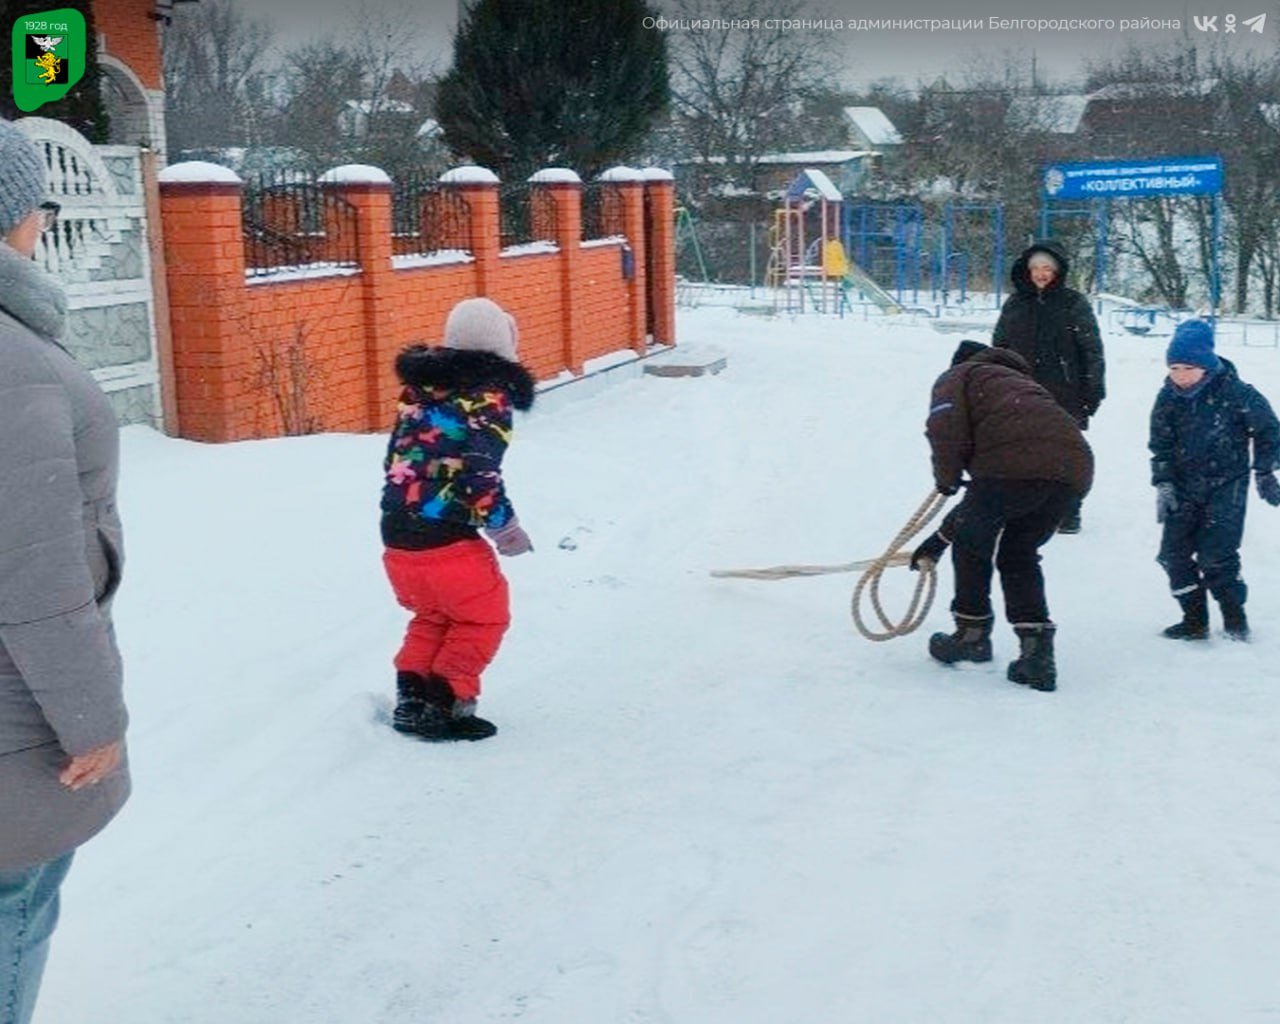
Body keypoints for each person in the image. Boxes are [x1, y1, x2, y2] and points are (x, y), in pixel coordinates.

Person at [0, 117, 130, 1024]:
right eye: (37, 204)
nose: (43, 223)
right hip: (15, 737)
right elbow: (38, 581)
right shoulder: (14, 366)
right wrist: (96, 724)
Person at [380, 297, 535, 741]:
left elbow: (397, 461)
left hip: (396, 531)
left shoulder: (417, 393)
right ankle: (447, 703)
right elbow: (480, 474)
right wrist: (505, 528)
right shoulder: (489, 399)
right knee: (483, 616)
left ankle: (411, 698)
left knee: (433, 615)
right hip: (447, 534)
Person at [910, 339, 1094, 692]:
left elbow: (944, 427)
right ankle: (1036, 652)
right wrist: (937, 540)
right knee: (1017, 554)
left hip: (1016, 466)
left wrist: (946, 480)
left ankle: (971, 634)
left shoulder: (961, 374)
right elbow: (989, 498)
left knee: (972, 545)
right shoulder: (1025, 386)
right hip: (1072, 470)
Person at [1150, 319, 1280, 641]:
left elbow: (1269, 431)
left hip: (1227, 485)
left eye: (1188, 367)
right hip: (1183, 486)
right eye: (1174, 367)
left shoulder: (1237, 393)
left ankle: (1235, 619)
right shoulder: (1167, 398)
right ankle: (1194, 620)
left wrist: (1264, 470)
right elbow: (1160, 445)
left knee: (1216, 557)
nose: (1180, 375)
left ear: (1207, 366)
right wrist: (1163, 482)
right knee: (1172, 555)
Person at [992, 240, 1105, 534]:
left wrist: (1093, 389)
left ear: (1058, 271)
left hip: (1064, 393)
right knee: (1022, 451)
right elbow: (999, 348)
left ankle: (1068, 510)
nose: (1041, 274)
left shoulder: (1073, 303)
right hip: (1020, 392)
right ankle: (1026, 508)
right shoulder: (1015, 304)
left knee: (1064, 452)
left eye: (1047, 268)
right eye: (1035, 268)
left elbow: (1091, 349)